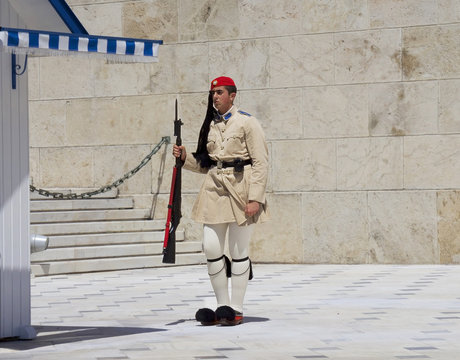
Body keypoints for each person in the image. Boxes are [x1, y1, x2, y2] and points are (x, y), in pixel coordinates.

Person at [172, 76, 269, 326]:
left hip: (240, 190)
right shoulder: (211, 124)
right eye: (213, 93)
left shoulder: (247, 122)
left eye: (220, 92)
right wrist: (185, 158)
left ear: (232, 95)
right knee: (212, 248)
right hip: (214, 190)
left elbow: (260, 163)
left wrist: (255, 198)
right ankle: (221, 306)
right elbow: (207, 163)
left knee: (238, 251)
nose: (215, 97)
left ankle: (235, 308)